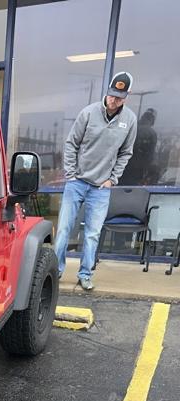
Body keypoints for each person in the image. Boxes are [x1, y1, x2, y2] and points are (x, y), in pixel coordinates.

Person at [54, 72, 138, 290]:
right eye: (112, 95)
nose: (114, 100)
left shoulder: (129, 120)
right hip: (77, 182)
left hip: (101, 187)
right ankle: (56, 271)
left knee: (92, 233)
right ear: (107, 91)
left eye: (119, 97)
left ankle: (85, 274)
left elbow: (126, 153)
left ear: (126, 96)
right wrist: (70, 173)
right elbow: (71, 143)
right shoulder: (88, 113)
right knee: (64, 229)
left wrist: (113, 179)